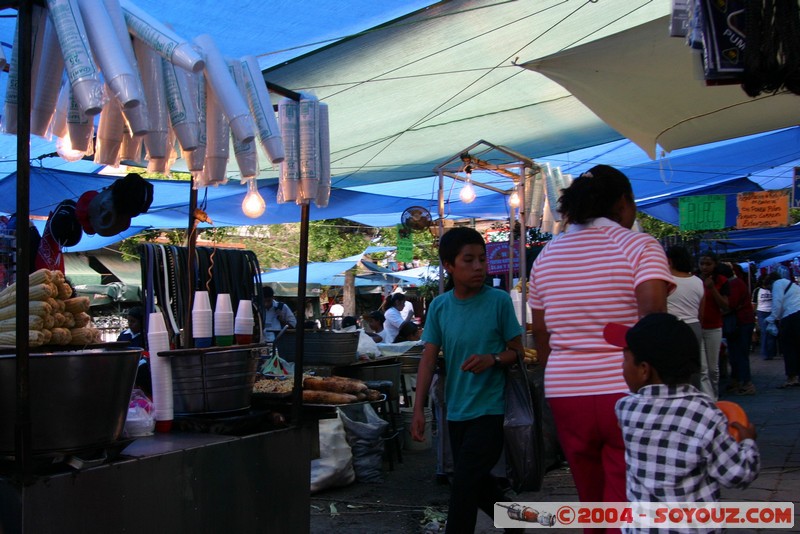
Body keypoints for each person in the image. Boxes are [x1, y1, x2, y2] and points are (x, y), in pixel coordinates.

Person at [527, 165, 673, 518]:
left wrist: (565, 371)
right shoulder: (640, 246)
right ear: (623, 203)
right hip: (626, 392)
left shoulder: (546, 258)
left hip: (565, 392)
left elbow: (542, 337)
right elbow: (654, 325)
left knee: (591, 501)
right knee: (629, 501)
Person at [411, 227, 524, 534]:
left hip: (491, 409)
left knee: (462, 485)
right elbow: (428, 359)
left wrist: (493, 359)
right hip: (456, 411)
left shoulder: (498, 301)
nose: (478, 267)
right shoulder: (440, 306)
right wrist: (418, 409)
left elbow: (518, 352)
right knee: (474, 480)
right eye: (469, 260)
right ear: (449, 265)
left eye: (482, 259)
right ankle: (516, 522)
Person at [606, 313, 759, 516]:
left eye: (625, 360)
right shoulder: (705, 413)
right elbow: (736, 474)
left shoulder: (625, 409)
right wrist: (747, 443)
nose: (622, 367)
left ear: (644, 370)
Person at [665, 245, 705, 389]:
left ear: (669, 260)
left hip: (672, 328)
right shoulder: (698, 281)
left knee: (671, 369)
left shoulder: (666, 280)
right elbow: (701, 312)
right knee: (692, 369)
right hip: (694, 327)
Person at [698, 251, 730, 399]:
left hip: (714, 327)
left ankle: (715, 394)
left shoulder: (722, 281)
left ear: (715, 265)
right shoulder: (694, 280)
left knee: (713, 368)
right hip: (698, 326)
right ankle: (709, 399)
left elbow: (725, 306)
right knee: (703, 368)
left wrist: (712, 288)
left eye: (708, 264)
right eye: (702, 263)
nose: (704, 267)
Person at [766, 266, 800, 388]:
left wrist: (772, 319)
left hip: (791, 315)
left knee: (789, 347)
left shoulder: (777, 284)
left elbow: (777, 302)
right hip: (797, 313)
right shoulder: (791, 284)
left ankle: (792, 377)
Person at [726, 263, 756, 395]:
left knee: (740, 352)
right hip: (740, 322)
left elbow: (731, 304)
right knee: (735, 352)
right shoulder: (737, 282)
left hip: (741, 322)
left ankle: (746, 382)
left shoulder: (735, 284)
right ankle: (737, 380)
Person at [117, 306, 150, 396]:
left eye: (133, 321)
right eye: (129, 321)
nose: (130, 324)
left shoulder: (146, 337)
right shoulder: (123, 336)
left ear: (141, 322)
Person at [753, 273, 778, 360]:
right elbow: (754, 303)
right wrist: (754, 315)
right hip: (761, 312)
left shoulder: (773, 289)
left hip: (772, 312)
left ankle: (771, 353)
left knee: (771, 333)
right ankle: (765, 353)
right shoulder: (757, 290)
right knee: (764, 332)